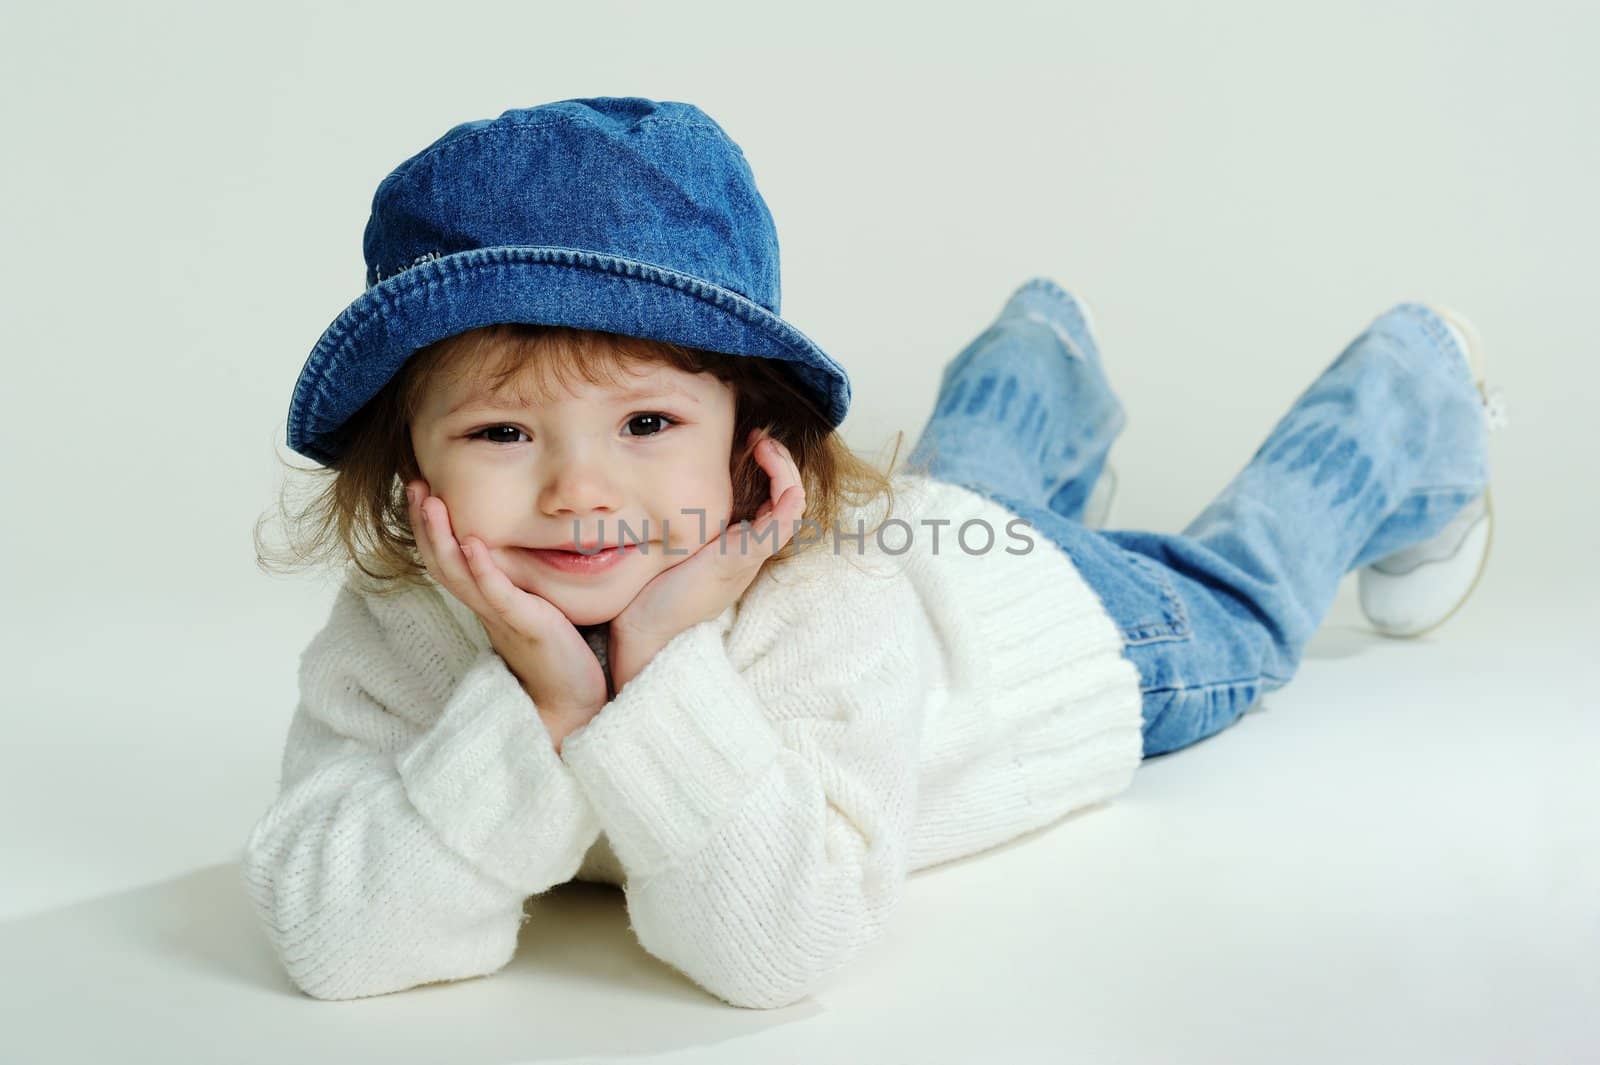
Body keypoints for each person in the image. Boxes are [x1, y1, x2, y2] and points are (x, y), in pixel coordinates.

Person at [241, 97, 1507, 1010]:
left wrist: (662, 659)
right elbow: (335, 938)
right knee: (950, 494)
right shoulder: (399, 625)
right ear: (406, 461)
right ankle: (1035, 359)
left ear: (752, 440)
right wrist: (547, 699)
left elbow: (774, 954)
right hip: (932, 530)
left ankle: (1413, 391)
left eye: (646, 423)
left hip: (1050, 625)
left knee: (1243, 593)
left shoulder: (821, 604)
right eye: (505, 430)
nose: (581, 493)